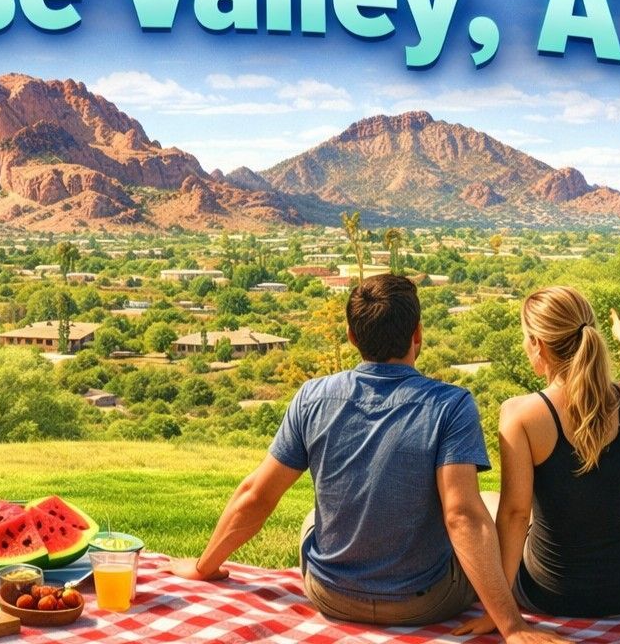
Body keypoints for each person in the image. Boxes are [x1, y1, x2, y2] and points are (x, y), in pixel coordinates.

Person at [168, 274, 566, 643]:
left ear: (352, 336)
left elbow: (257, 495)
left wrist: (204, 567)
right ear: (417, 334)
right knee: (486, 508)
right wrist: (512, 626)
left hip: (331, 595)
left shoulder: (312, 398)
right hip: (428, 602)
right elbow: (461, 516)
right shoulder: (451, 405)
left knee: (312, 519)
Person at [454, 287, 620, 636]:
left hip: (550, 595)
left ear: (538, 344)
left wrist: (498, 613)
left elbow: (515, 514)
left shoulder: (519, 414)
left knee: (493, 502)